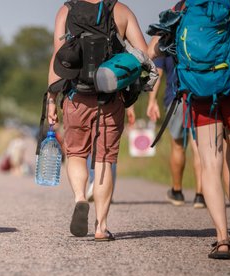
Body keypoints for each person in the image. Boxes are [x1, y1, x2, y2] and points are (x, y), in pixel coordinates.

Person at [148, 0, 230, 259]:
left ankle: (221, 239)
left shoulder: (184, 6)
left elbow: (153, 50)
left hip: (200, 90)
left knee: (210, 163)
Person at [47, 0, 156, 240]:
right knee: (105, 159)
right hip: (110, 98)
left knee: (76, 154)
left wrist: (51, 99)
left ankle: (79, 198)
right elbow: (145, 55)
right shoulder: (121, 10)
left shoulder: (66, 11)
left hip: (76, 96)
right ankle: (101, 227)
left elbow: (58, 57)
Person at [146, 55, 205, 208]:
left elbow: (157, 74)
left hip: (176, 98)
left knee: (178, 146)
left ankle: (177, 192)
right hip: (200, 94)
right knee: (198, 148)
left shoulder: (166, 36)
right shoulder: (196, 31)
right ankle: (200, 195)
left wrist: (152, 101)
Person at [85, 105, 136, 202]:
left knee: (91, 146)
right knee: (108, 150)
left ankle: (94, 182)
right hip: (112, 102)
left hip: (86, 100)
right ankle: (106, 189)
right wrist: (130, 108)